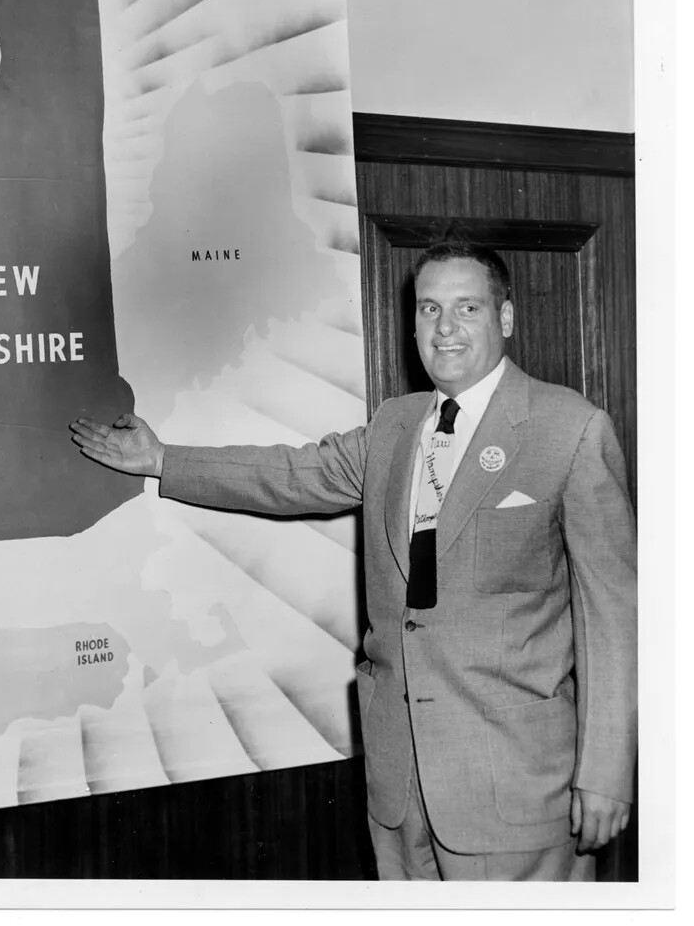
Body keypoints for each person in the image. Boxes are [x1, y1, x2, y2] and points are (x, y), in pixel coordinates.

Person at [70, 241, 636, 882]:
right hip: (397, 789)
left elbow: (614, 618)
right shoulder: (396, 426)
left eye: (466, 308)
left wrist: (607, 773)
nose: (444, 328)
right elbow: (292, 474)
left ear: (505, 318)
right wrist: (165, 460)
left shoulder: (571, 428)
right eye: (428, 310)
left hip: (515, 785)